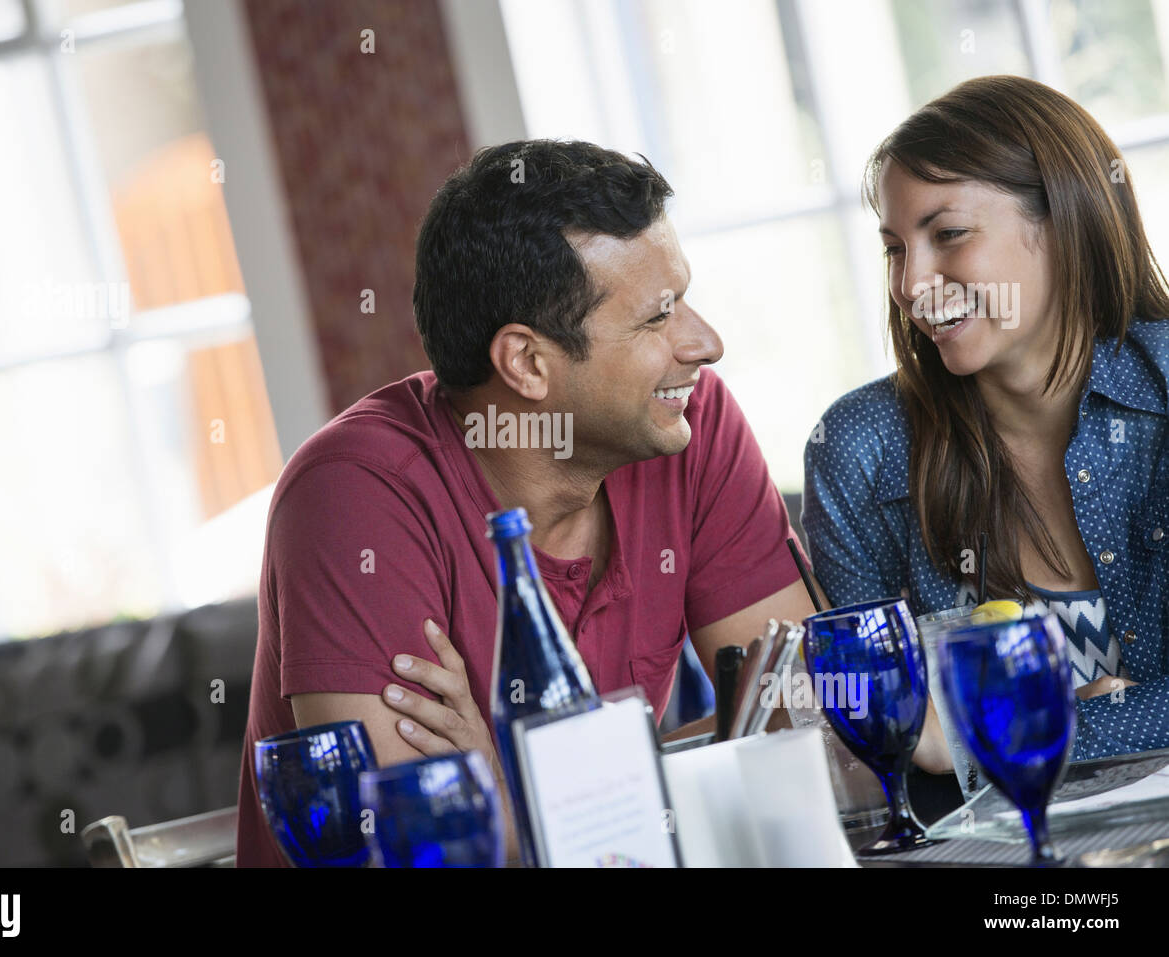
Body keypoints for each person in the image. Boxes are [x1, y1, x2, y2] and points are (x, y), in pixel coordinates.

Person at [236, 140, 819, 865]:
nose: (706, 343)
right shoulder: (354, 495)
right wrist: (640, 791)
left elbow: (801, 726)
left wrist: (510, 799)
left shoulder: (687, 426)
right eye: (656, 318)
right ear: (527, 363)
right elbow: (420, 847)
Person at [803, 75, 1169, 766]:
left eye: (948, 234)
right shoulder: (856, 449)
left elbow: (947, 735)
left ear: (1066, 219)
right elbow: (885, 735)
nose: (910, 284)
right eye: (894, 248)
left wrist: (1027, 728)